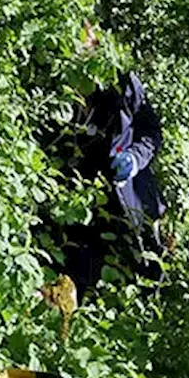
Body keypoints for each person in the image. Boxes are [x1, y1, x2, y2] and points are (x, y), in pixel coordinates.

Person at [42, 56, 168, 301]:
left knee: (144, 285)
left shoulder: (122, 83)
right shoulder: (50, 91)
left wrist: (135, 158)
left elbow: (151, 132)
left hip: (131, 205)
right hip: (77, 215)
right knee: (75, 289)